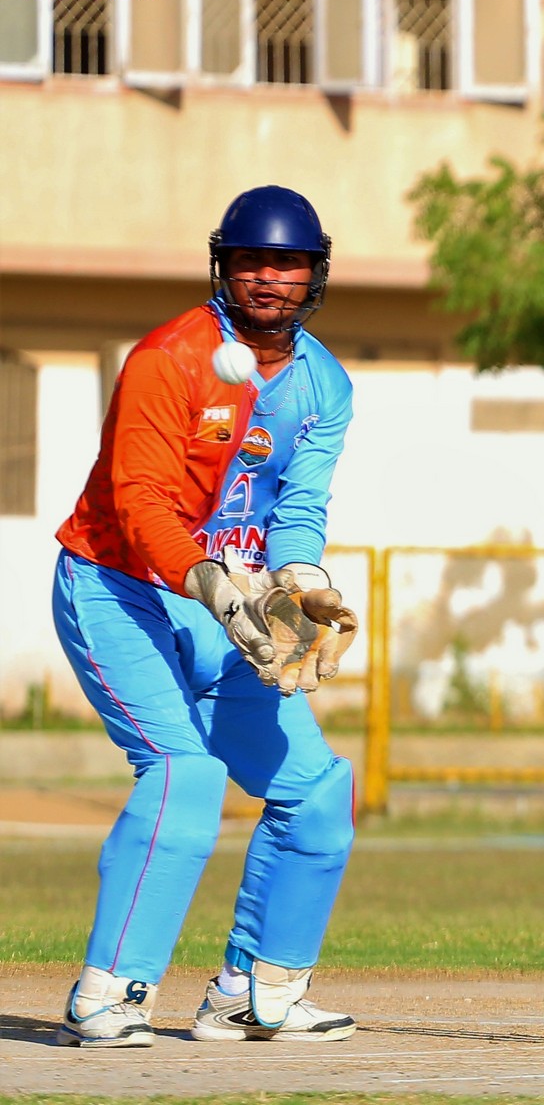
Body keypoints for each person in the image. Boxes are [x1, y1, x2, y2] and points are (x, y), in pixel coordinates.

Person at [51, 185, 359, 1048]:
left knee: (318, 791)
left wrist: (300, 579)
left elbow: (297, 505)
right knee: (183, 773)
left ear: (314, 274)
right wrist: (215, 587)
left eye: (287, 264)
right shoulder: (168, 358)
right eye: (252, 261)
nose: (268, 278)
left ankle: (255, 993)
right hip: (120, 585)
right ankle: (108, 995)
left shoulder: (325, 384)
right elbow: (139, 501)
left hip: (235, 602)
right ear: (223, 266)